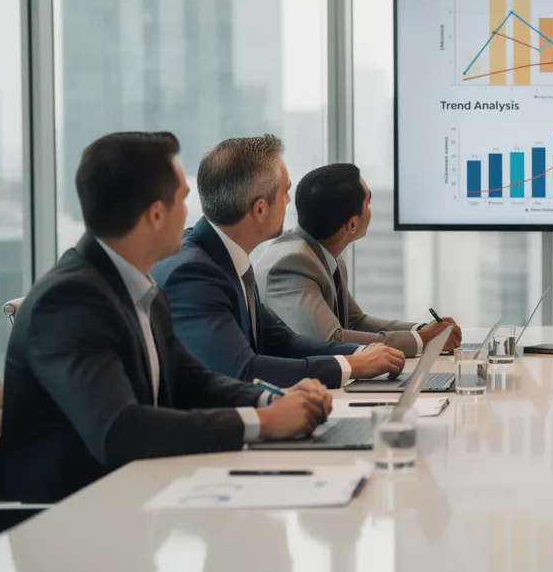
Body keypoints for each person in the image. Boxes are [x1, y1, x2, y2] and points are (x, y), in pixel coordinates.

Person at [0, 132, 332, 506]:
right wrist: (265, 423)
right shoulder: (68, 301)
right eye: (182, 199)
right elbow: (120, 429)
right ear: (156, 214)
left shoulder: (139, 286)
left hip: (126, 500)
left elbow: (189, 380)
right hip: (54, 521)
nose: (190, 214)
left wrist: (271, 399)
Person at [153, 135, 404, 389]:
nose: (288, 201)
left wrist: (363, 352)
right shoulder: (194, 274)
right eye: (285, 192)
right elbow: (243, 369)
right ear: (260, 209)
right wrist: (354, 365)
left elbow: (282, 342)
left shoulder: (226, 257)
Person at [255, 162, 462, 355]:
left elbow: (355, 321)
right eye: (369, 202)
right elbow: (331, 338)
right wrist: (423, 340)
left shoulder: (322, 253)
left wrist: (424, 330)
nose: (371, 210)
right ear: (352, 224)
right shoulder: (292, 263)